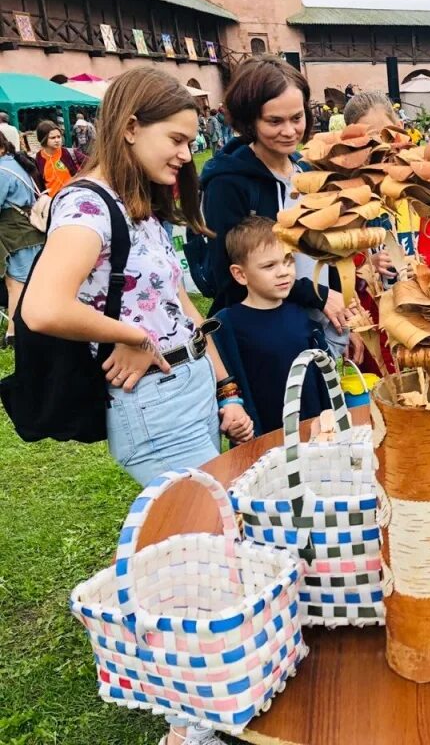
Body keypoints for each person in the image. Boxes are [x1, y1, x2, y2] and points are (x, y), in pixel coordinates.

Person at [19, 68, 254, 745]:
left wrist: (223, 384)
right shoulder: (89, 207)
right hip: (150, 403)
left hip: (185, 389)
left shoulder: (137, 206)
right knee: (208, 546)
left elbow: (179, 304)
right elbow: (42, 307)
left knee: (201, 535)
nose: (188, 152)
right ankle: (192, 720)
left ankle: (161, 645)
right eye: (177, 138)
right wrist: (129, 335)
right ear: (130, 127)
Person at [198, 54, 349, 349]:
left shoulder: (306, 170)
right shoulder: (227, 183)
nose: (290, 131)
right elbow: (230, 273)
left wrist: (338, 316)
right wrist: (313, 294)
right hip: (268, 338)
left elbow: (322, 255)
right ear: (250, 121)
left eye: (297, 118)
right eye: (274, 121)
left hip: (317, 327)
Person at [212, 217, 331, 437]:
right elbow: (222, 382)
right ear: (240, 274)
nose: (283, 272)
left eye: (288, 261)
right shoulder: (226, 325)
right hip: (268, 441)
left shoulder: (301, 315)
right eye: (269, 266)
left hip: (315, 432)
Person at [0, 133, 45, 349]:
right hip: (27, 233)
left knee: (17, 284)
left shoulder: (1, 171)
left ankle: (14, 333)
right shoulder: (12, 163)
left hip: (18, 235)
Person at [34, 120, 80, 197]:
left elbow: (91, 164)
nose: (57, 140)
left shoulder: (69, 153)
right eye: (53, 138)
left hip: (73, 198)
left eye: (59, 137)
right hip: (53, 202)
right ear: (43, 139)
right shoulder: (38, 159)